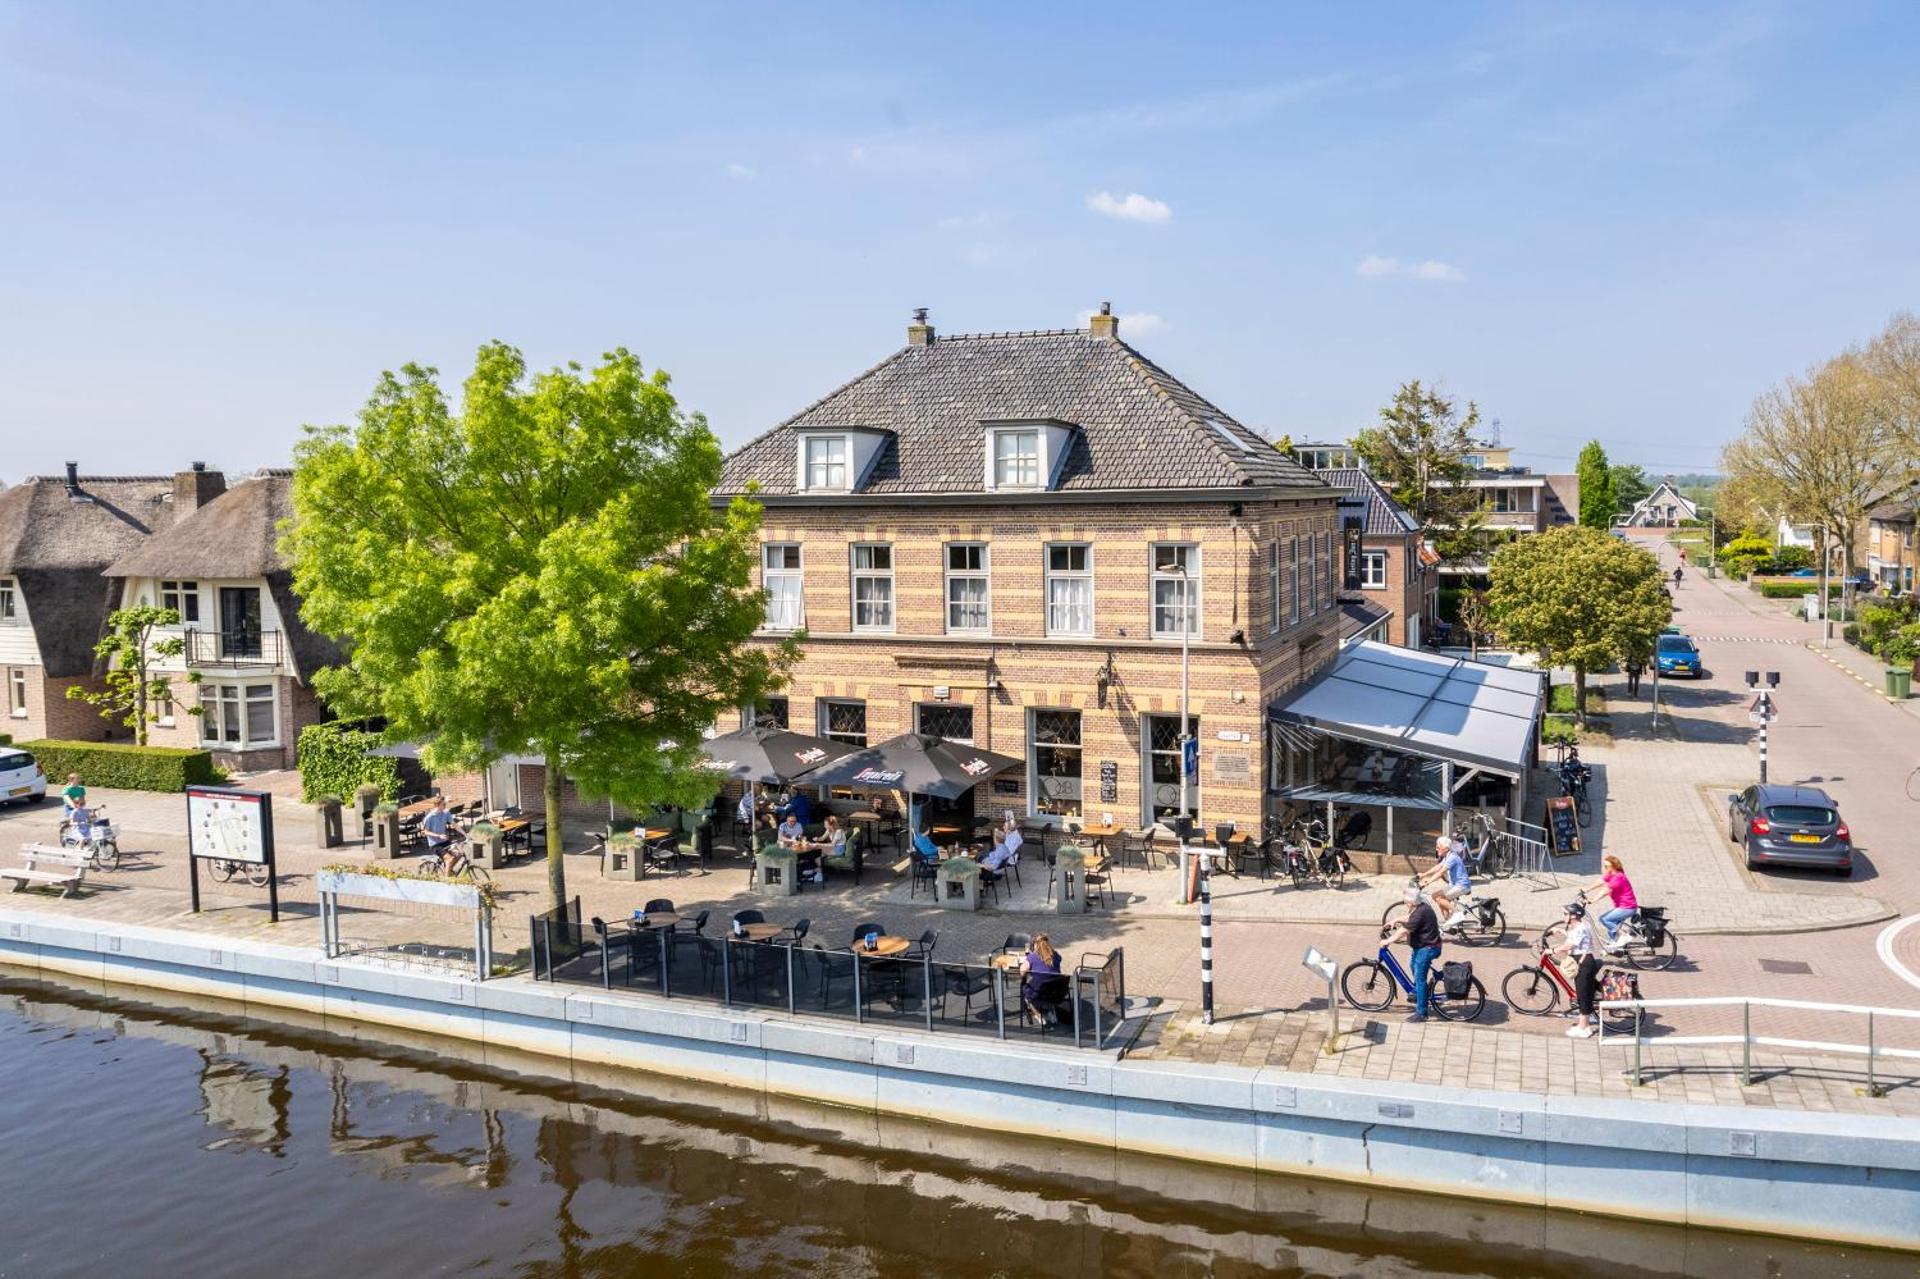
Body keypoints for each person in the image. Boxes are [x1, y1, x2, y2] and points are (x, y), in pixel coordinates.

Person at [1384, 885, 1443, 1023]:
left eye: (1406, 901)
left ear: (1411, 901)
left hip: (1427, 949)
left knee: (1420, 979)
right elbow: (1409, 917)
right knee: (1413, 965)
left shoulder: (1420, 912)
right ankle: (1418, 993)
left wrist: (1388, 940)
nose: (1405, 902)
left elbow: (1404, 931)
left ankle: (1422, 1013)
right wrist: (1395, 920)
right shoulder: (1421, 907)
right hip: (1423, 947)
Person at [1552, 900, 1600, 1038]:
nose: (1563, 916)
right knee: (1586, 993)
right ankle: (1584, 1024)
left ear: (1573, 916)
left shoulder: (1580, 928)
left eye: (1565, 914)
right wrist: (1560, 930)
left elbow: (1569, 945)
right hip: (1584, 961)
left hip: (1583, 964)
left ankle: (1584, 1028)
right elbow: (1574, 936)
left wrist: (1552, 950)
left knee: (1583, 996)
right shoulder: (1580, 926)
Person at [1414, 835, 1473, 927]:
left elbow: (1441, 872)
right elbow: (1438, 867)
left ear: (1446, 848)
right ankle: (1448, 922)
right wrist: (1424, 874)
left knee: (1439, 898)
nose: (1436, 849)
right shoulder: (1448, 856)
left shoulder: (1452, 857)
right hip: (1455, 885)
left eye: (1438, 847)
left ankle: (1457, 913)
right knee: (1436, 897)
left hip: (1461, 886)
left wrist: (1427, 882)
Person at [1586, 855, 1640, 948]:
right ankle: (1616, 945)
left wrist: (1593, 900)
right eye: (1604, 866)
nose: (1605, 868)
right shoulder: (1611, 874)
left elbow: (1606, 890)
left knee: (1605, 919)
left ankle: (1624, 935)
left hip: (1627, 907)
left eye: (1607, 866)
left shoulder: (1619, 877)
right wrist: (1586, 889)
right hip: (1623, 906)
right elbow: (1600, 881)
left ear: (1614, 866)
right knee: (1612, 926)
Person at [1018, 933, 1062, 1024]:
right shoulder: (1056, 955)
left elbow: (1022, 972)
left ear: (1035, 945)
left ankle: (1038, 1015)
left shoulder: (1033, 957)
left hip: (1039, 992)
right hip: (1056, 991)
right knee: (1045, 985)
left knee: (1026, 991)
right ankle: (1051, 1011)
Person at [420, 796, 465, 874]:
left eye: (445, 804)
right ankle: (446, 879)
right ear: (437, 805)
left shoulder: (446, 813)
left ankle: (447, 870)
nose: (445, 805)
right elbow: (424, 832)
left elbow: (454, 825)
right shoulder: (429, 817)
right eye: (443, 804)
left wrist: (465, 834)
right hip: (435, 844)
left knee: (458, 855)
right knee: (450, 859)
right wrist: (438, 835)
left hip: (445, 841)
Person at [805, 814, 845, 883]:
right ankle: (817, 871)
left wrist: (818, 844)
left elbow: (832, 845)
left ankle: (817, 872)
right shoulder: (828, 830)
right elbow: (822, 838)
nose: (824, 826)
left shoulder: (838, 831)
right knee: (817, 854)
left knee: (817, 851)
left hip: (839, 849)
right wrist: (817, 839)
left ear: (831, 825)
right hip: (834, 848)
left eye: (826, 824)